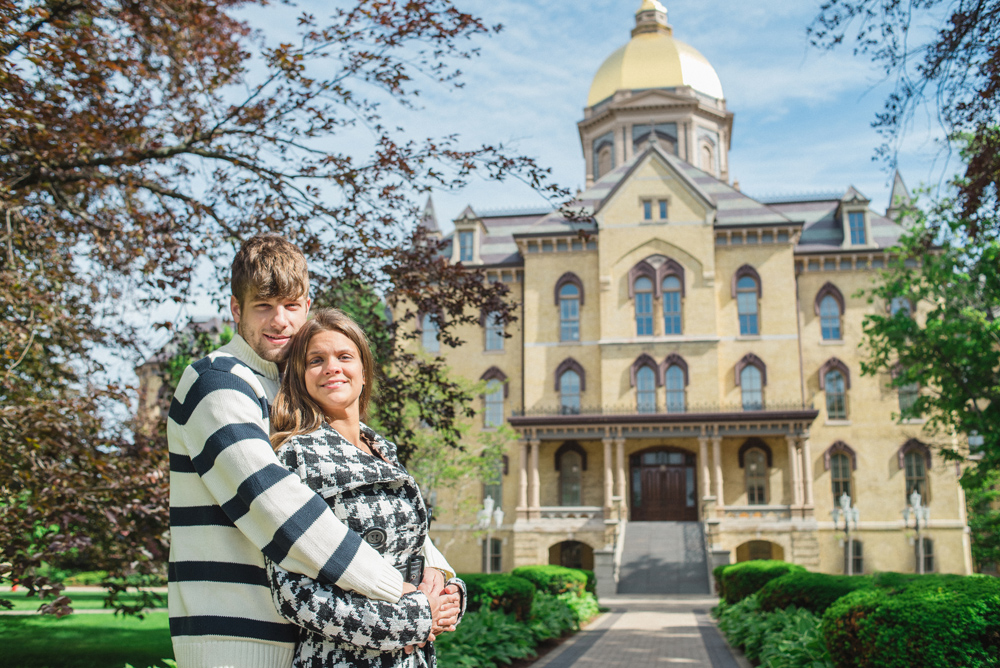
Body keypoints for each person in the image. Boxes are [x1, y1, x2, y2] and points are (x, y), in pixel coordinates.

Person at [167, 234, 456, 668]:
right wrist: (401, 593)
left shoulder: (296, 394)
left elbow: (372, 497)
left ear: (307, 306)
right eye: (263, 306)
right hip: (235, 639)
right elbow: (277, 505)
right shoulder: (216, 381)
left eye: (291, 305)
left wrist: (437, 571)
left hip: (308, 641)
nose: (279, 320)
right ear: (235, 310)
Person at [266, 308, 465, 668]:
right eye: (316, 360)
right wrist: (410, 622)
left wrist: (448, 595)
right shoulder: (295, 455)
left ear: (363, 371)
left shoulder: (383, 450)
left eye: (345, 356)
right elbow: (294, 594)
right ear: (300, 376)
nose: (332, 367)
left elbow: (413, 550)